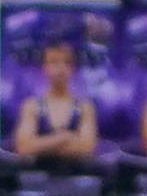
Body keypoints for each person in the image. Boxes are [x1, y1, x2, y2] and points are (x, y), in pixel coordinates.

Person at [13, 42, 97, 170]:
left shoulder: (85, 107)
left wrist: (40, 145)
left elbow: (86, 148)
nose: (61, 68)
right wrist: (65, 137)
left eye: (67, 63)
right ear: (44, 68)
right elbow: (24, 148)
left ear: (73, 69)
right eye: (54, 62)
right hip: (39, 177)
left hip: (75, 177)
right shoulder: (31, 106)